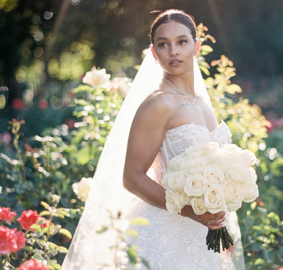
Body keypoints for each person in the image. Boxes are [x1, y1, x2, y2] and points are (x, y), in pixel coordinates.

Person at [62, 10, 245, 270]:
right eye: (163, 44)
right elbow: (132, 178)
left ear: (196, 46)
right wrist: (192, 213)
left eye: (182, 41)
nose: (173, 51)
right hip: (165, 235)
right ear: (153, 52)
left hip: (201, 235)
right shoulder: (158, 104)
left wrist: (217, 217)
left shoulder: (202, 103)